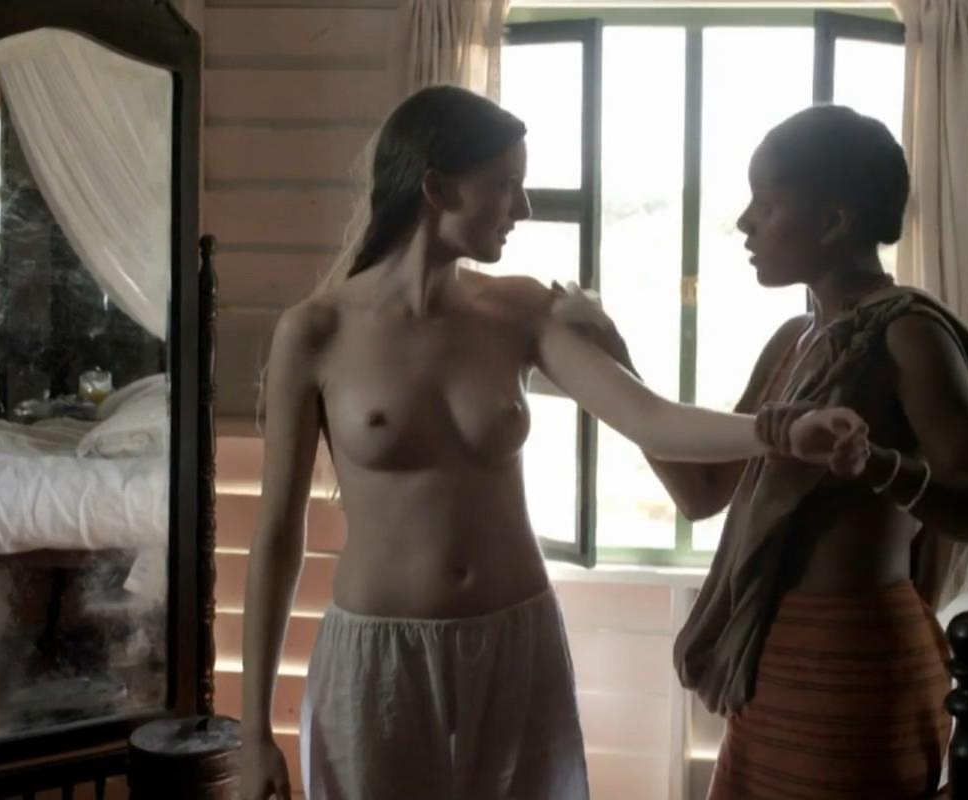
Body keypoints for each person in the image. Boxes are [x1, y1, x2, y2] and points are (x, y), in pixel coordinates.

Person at [240, 86, 870, 800]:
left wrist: (779, 431)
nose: (525, 207)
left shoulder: (519, 310)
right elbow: (277, 535)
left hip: (516, 643)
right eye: (506, 183)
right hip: (378, 659)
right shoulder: (315, 331)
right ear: (437, 187)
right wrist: (254, 731)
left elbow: (648, 417)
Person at [638, 105, 968, 799]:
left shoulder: (908, 333)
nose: (746, 223)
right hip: (772, 662)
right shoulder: (795, 340)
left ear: (833, 222)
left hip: (856, 666)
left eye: (766, 204)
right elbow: (701, 492)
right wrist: (614, 371)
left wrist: (880, 466)